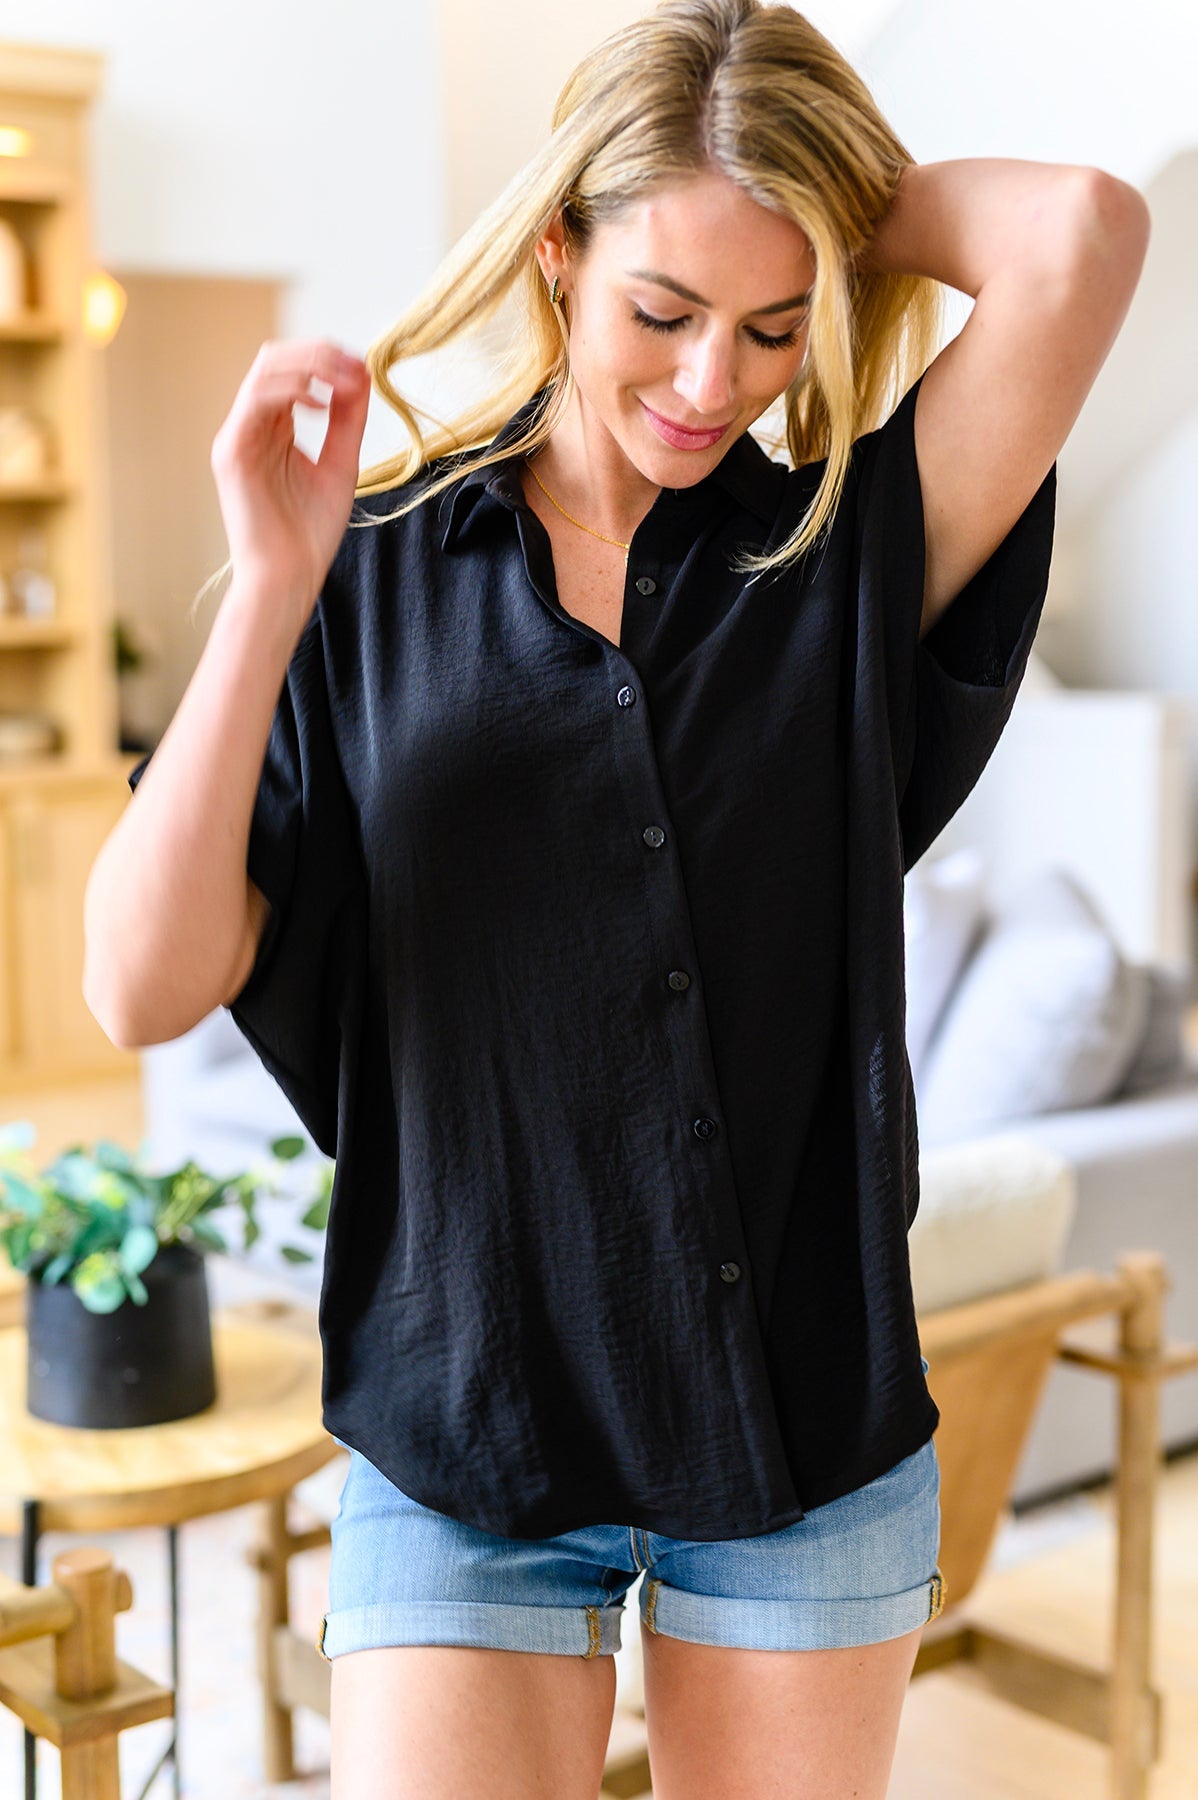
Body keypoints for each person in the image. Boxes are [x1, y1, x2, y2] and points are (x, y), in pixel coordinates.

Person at [83, 1, 1150, 1794]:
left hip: (795, 1433)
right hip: (462, 1425)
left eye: (772, 324)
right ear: (556, 248)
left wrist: (782, 180)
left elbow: (1079, 237)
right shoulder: (371, 566)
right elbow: (135, 983)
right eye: (661, 310)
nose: (708, 382)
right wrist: (270, 588)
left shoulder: (842, 557)